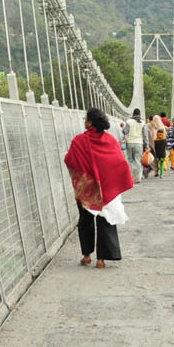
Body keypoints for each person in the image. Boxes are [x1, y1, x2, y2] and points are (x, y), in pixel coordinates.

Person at [64, 108, 134, 268]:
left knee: (85, 220)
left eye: (85, 119)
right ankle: (101, 259)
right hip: (108, 187)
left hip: (87, 188)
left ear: (89, 122)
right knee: (105, 220)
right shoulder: (110, 141)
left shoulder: (78, 141)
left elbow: (69, 160)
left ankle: (87, 255)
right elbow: (120, 163)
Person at [122, 108, 146, 181]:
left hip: (130, 143)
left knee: (131, 160)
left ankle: (132, 177)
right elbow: (145, 135)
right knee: (138, 160)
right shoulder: (143, 122)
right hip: (139, 143)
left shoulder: (128, 121)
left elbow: (125, 132)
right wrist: (147, 145)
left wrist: (122, 127)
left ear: (133, 114)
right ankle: (138, 177)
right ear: (139, 114)